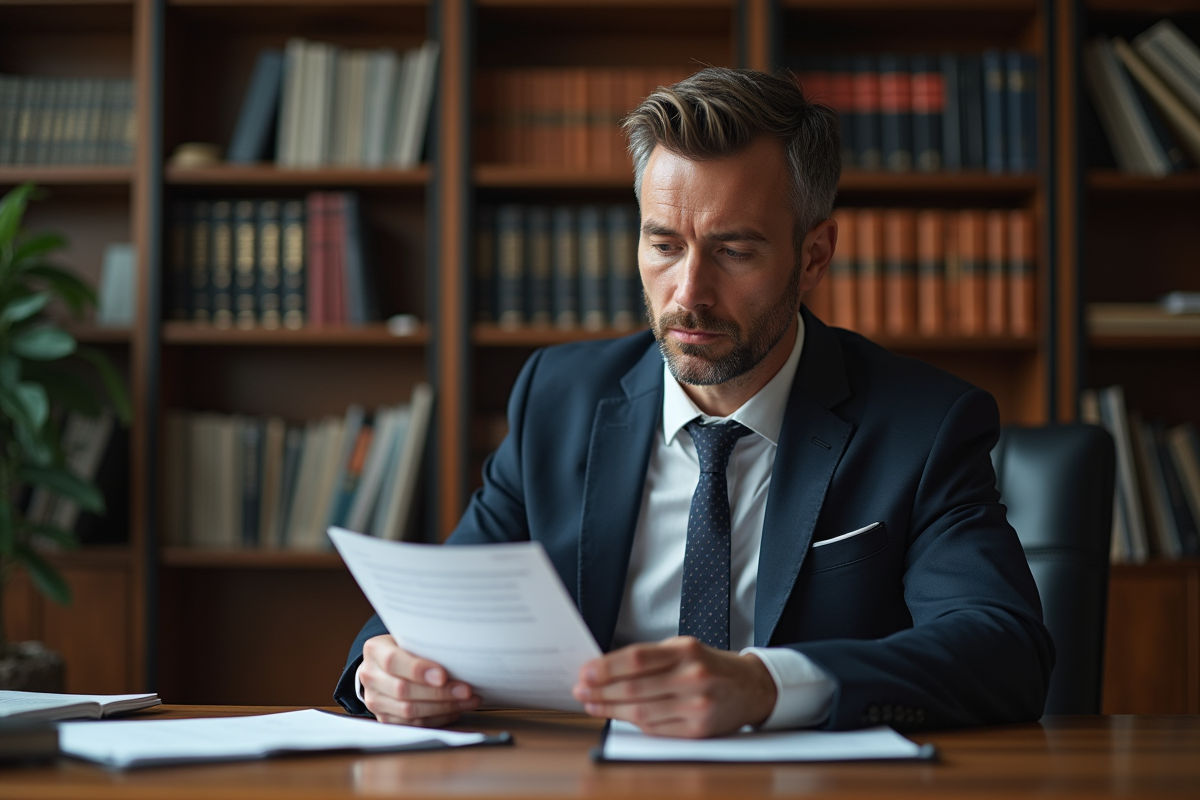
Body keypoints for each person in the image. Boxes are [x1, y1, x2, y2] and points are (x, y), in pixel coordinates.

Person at [334, 67, 1054, 738]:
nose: (689, 294)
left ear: (814, 256)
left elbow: (1004, 649)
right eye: (664, 245)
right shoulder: (557, 398)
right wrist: (387, 665)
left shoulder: (925, 425)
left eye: (734, 251)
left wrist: (768, 685)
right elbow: (443, 608)